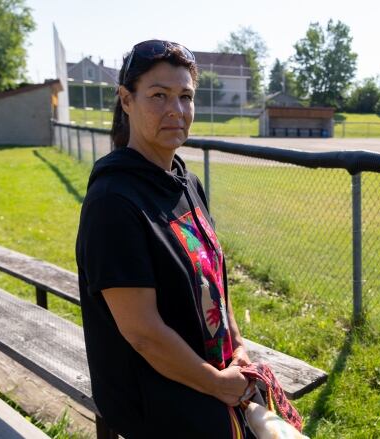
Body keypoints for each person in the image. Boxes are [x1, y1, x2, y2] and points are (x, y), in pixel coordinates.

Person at [75, 40, 256, 438]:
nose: (176, 111)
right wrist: (217, 383)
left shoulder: (185, 182)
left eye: (185, 97)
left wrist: (237, 347)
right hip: (153, 394)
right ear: (126, 100)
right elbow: (143, 334)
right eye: (158, 96)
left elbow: (212, 280)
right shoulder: (113, 201)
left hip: (208, 368)